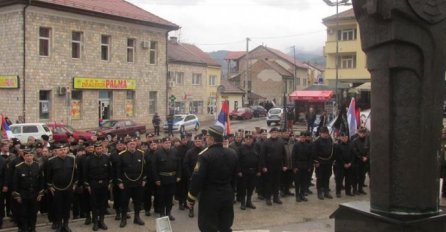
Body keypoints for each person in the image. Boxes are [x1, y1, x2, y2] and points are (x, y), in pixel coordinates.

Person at [187, 125, 238, 232]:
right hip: (227, 195)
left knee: (208, 226)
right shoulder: (232, 153)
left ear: (212, 139)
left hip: (210, 197)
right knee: (225, 225)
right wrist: (232, 191)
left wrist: (191, 198)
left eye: (207, 136)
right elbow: (234, 177)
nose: (205, 138)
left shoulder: (204, 156)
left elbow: (197, 179)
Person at [46, 143, 77, 232]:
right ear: (56, 151)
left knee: (67, 207)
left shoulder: (72, 159)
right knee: (58, 207)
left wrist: (74, 184)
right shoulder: (51, 161)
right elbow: (48, 176)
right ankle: (59, 224)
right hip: (57, 188)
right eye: (60, 150)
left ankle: (66, 224)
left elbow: (75, 174)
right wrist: (50, 186)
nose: (63, 151)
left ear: (66, 150)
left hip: (69, 187)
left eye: (64, 149)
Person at [116, 139, 146, 227]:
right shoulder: (121, 155)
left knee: (138, 201)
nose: (132, 145)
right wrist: (119, 181)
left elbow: (144, 168)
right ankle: (123, 218)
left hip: (138, 182)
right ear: (127, 145)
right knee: (124, 201)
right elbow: (118, 169)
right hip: (126, 182)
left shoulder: (141, 154)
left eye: (133, 144)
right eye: (130, 144)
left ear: (136, 144)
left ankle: (137, 218)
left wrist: (144, 179)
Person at [12, 148, 43, 232]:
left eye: (30, 155)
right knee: (23, 213)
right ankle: (24, 228)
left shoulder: (38, 166)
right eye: (27, 156)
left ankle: (33, 228)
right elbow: (15, 183)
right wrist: (17, 195)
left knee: (33, 213)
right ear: (24, 156)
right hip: (23, 194)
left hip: (34, 193)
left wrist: (40, 194)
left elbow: (41, 181)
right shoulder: (18, 167)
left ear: (33, 156)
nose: (29, 157)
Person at [83, 142, 112, 231]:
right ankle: (95, 221)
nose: (99, 150)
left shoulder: (106, 158)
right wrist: (87, 185)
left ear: (102, 149)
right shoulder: (88, 159)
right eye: (97, 148)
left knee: (103, 203)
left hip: (104, 184)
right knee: (94, 204)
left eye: (100, 148)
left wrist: (109, 183)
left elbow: (110, 171)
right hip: (93, 184)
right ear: (94, 149)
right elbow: (85, 173)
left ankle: (102, 221)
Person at [152, 137, 181, 220]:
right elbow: (154, 168)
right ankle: (162, 213)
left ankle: (168, 213)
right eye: (166, 143)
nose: (168, 144)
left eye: (169, 143)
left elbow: (179, 164)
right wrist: (156, 179)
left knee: (170, 197)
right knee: (162, 197)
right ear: (162, 144)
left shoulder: (175, 151)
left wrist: (179, 175)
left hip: (172, 179)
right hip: (162, 179)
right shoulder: (157, 153)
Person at [260, 127, 287, 205]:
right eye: (273, 132)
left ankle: (276, 197)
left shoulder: (281, 142)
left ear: (278, 133)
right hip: (269, 166)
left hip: (278, 166)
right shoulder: (266, 142)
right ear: (270, 133)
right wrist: (264, 166)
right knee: (269, 183)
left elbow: (284, 154)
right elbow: (262, 155)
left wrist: (285, 165)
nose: (274, 134)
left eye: (276, 132)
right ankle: (268, 198)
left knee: (277, 182)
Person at [237, 132, 260, 210]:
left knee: (251, 187)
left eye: (250, 139)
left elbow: (259, 160)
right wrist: (239, 171)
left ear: (252, 140)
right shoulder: (241, 148)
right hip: (244, 172)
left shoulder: (256, 147)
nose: (248, 140)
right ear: (244, 140)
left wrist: (258, 170)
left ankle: (249, 202)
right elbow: (238, 161)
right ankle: (243, 203)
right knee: (243, 188)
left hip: (253, 171)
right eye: (247, 139)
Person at [183, 134, 203, 217]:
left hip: (202, 177)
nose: (198, 143)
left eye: (199, 141)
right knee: (191, 195)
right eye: (196, 141)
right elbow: (186, 164)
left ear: (202, 141)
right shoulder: (189, 152)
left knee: (202, 195)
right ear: (194, 142)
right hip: (192, 176)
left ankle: (203, 210)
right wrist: (190, 176)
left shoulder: (205, 150)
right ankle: (191, 210)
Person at [312, 126, 335, 200]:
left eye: (326, 133)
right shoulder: (317, 141)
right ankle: (319, 192)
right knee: (320, 178)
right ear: (320, 133)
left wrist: (332, 160)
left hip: (328, 162)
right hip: (320, 162)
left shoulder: (330, 140)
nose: (325, 134)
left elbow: (332, 150)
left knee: (327, 177)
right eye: (323, 133)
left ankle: (326, 191)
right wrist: (316, 161)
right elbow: (314, 153)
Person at [292, 131, 312, 202]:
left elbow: (310, 157)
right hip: (298, 166)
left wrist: (309, 166)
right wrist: (294, 167)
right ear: (299, 137)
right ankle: (297, 195)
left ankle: (302, 194)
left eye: (304, 137)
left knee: (304, 181)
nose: (302, 138)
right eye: (301, 137)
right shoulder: (296, 145)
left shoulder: (308, 145)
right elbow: (293, 157)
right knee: (297, 182)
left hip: (306, 166)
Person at [351, 127, 370, 195]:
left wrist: (367, 157)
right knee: (356, 176)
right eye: (360, 132)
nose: (362, 134)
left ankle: (360, 188)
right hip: (357, 161)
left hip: (365, 161)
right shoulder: (354, 141)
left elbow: (369, 149)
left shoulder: (367, 140)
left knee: (362, 176)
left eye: (363, 133)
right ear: (358, 133)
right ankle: (354, 189)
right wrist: (361, 157)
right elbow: (355, 151)